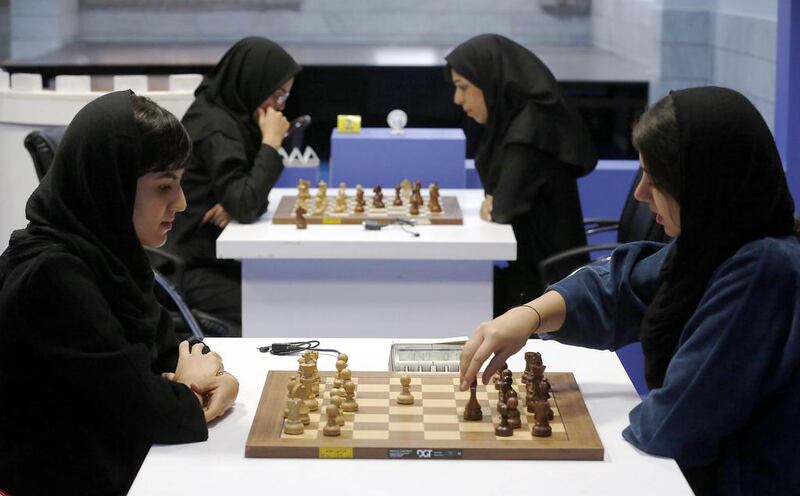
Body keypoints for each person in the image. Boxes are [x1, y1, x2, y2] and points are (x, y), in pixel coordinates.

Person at [459, 87, 800, 496]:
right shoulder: (716, 242)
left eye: (654, 181)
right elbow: (620, 286)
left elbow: (676, 422)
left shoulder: (763, 268)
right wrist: (529, 315)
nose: (639, 193)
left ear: (704, 185)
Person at [0, 91, 239, 495]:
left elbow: (170, 352)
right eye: (164, 187)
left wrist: (215, 377)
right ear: (109, 185)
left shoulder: (110, 252)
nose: (180, 203)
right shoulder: (52, 276)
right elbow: (148, 412)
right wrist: (190, 390)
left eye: (179, 184)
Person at [445, 34, 598, 316]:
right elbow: (498, 195)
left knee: (453, 299)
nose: (457, 98)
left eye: (463, 87)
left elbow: (501, 209)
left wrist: (495, 201)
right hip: (536, 273)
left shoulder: (530, 131)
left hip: (549, 289)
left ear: (489, 79)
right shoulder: (517, 119)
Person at [164, 37, 301, 332]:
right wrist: (271, 144)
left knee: (288, 291)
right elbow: (247, 202)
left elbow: (248, 198)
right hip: (188, 268)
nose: (279, 107)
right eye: (276, 95)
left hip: (212, 257)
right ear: (253, 83)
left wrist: (237, 202)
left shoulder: (227, 116)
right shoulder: (217, 129)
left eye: (284, 98)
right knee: (277, 311)